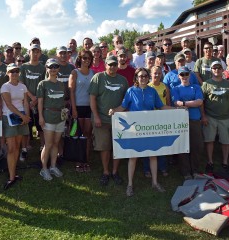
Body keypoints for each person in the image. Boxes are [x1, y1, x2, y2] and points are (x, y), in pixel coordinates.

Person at [109, 67, 171, 196]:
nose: (143, 78)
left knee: (153, 155)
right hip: (135, 129)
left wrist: (177, 109)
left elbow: (161, 106)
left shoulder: (152, 91)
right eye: (140, 76)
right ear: (136, 78)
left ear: (148, 77)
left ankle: (155, 182)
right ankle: (130, 185)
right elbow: (123, 106)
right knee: (133, 156)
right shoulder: (131, 91)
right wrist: (114, 110)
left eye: (145, 76)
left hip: (149, 128)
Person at [88, 55, 128, 186]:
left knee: (117, 147)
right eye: (110, 65)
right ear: (105, 65)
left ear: (118, 66)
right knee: (104, 146)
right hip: (101, 119)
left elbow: (126, 100)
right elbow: (92, 98)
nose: (112, 67)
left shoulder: (123, 80)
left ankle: (115, 171)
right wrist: (96, 116)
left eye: (114, 65)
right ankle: (106, 172)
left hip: (118, 120)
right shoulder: (98, 78)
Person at [201, 61, 229, 172]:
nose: (216, 70)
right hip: (210, 116)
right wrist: (203, 116)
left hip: (225, 117)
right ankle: (210, 162)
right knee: (209, 140)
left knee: (226, 141)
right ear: (211, 70)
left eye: (219, 67)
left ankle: (225, 162)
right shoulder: (206, 84)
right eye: (214, 68)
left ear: (222, 69)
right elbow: (201, 102)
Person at [1, 63, 30, 189]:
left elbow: (26, 102)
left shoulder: (22, 86)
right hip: (9, 117)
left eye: (16, 71)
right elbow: (8, 104)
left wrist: (27, 116)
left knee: (17, 146)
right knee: (12, 148)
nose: (14, 73)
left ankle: (14, 172)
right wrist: (22, 116)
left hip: (22, 117)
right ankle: (11, 177)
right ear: (8, 73)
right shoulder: (5, 86)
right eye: (12, 71)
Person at [172, 66, 204, 179]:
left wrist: (184, 103)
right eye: (182, 74)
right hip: (181, 121)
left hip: (195, 119)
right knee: (183, 146)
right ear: (178, 76)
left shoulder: (195, 87)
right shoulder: (175, 88)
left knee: (197, 146)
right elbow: (176, 102)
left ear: (189, 75)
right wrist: (191, 102)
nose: (184, 76)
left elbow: (199, 102)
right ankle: (185, 172)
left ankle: (195, 170)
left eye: (186, 74)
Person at [37, 58, 66, 181]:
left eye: (55, 66)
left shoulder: (61, 84)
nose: (53, 69)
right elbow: (40, 102)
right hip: (48, 116)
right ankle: (44, 169)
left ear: (58, 68)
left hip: (60, 117)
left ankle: (53, 166)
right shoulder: (43, 84)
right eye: (51, 67)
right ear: (47, 69)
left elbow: (63, 100)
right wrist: (40, 116)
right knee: (48, 144)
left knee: (55, 143)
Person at [69, 50, 95, 172]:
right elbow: (71, 92)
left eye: (88, 58)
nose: (86, 60)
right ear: (80, 59)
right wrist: (73, 109)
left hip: (89, 108)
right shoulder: (74, 73)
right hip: (77, 107)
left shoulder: (93, 73)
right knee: (78, 135)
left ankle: (86, 160)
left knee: (87, 135)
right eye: (84, 58)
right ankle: (78, 160)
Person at [19, 44, 46, 159]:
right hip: (25, 101)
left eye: (37, 52)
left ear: (40, 53)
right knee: (25, 127)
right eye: (33, 51)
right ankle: (24, 149)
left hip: (39, 101)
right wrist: (31, 97)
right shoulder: (23, 67)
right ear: (29, 52)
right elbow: (21, 83)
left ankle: (43, 148)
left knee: (41, 127)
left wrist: (36, 99)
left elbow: (45, 84)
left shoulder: (43, 68)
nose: (35, 54)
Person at [144, 65, 171, 177]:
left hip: (162, 118)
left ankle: (162, 167)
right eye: (155, 73)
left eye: (159, 73)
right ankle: (147, 169)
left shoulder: (165, 87)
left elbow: (168, 102)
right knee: (148, 144)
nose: (157, 75)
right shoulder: (147, 86)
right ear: (151, 74)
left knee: (162, 143)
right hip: (149, 119)